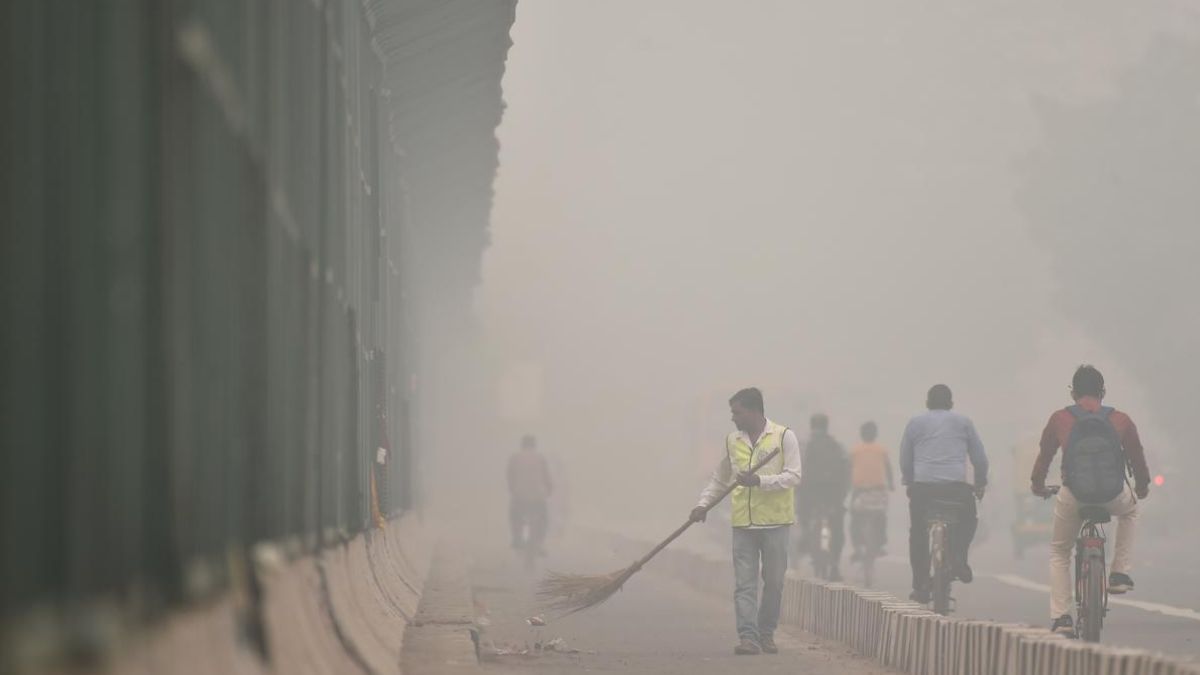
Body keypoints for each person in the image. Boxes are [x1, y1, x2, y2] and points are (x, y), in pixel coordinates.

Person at [1031, 365, 1150, 637]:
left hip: (1073, 494)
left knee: (1060, 552)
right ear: (1103, 392)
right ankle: (1119, 574)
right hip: (1113, 495)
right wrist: (1141, 487)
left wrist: (1038, 485)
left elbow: (1044, 458)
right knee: (1130, 513)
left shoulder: (1059, 419)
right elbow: (1137, 459)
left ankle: (1062, 617)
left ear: (1073, 393)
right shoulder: (1121, 420)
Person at [690, 388, 802, 656]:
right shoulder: (732, 441)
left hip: (776, 524)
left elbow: (794, 476)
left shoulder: (784, 437)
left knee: (774, 583)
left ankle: (766, 633)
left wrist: (760, 481)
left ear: (754, 411)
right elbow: (720, 479)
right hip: (743, 525)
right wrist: (703, 504)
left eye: (737, 413)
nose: (733, 418)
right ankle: (748, 638)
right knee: (744, 584)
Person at [900, 384, 988, 603]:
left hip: (923, 490)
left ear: (927, 402)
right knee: (969, 519)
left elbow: (905, 459)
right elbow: (979, 459)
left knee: (918, 533)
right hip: (955, 490)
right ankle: (959, 559)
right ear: (951, 403)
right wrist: (979, 483)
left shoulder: (915, 423)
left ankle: (921, 584)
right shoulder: (964, 423)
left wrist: (909, 481)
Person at [796, 413, 850, 581]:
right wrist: (843, 493)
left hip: (810, 491)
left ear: (812, 427)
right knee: (837, 525)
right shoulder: (837, 446)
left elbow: (797, 468)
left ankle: (805, 535)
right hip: (833, 493)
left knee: (802, 511)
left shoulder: (805, 446)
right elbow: (847, 470)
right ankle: (834, 564)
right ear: (826, 427)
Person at [849, 421, 894, 561]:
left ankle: (857, 547)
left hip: (860, 491)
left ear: (861, 435)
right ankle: (880, 544)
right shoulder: (882, 450)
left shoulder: (855, 450)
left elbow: (848, 469)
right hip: (878, 491)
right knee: (881, 516)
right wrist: (891, 484)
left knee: (854, 518)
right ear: (876, 435)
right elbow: (888, 469)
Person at [507, 434, 552, 556]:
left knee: (515, 516)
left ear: (522, 445)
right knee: (544, 519)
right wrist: (549, 490)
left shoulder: (515, 458)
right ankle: (540, 543)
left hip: (519, 496)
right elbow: (546, 477)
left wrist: (513, 490)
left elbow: (510, 476)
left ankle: (517, 539)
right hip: (537, 496)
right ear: (534, 445)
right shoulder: (540, 458)